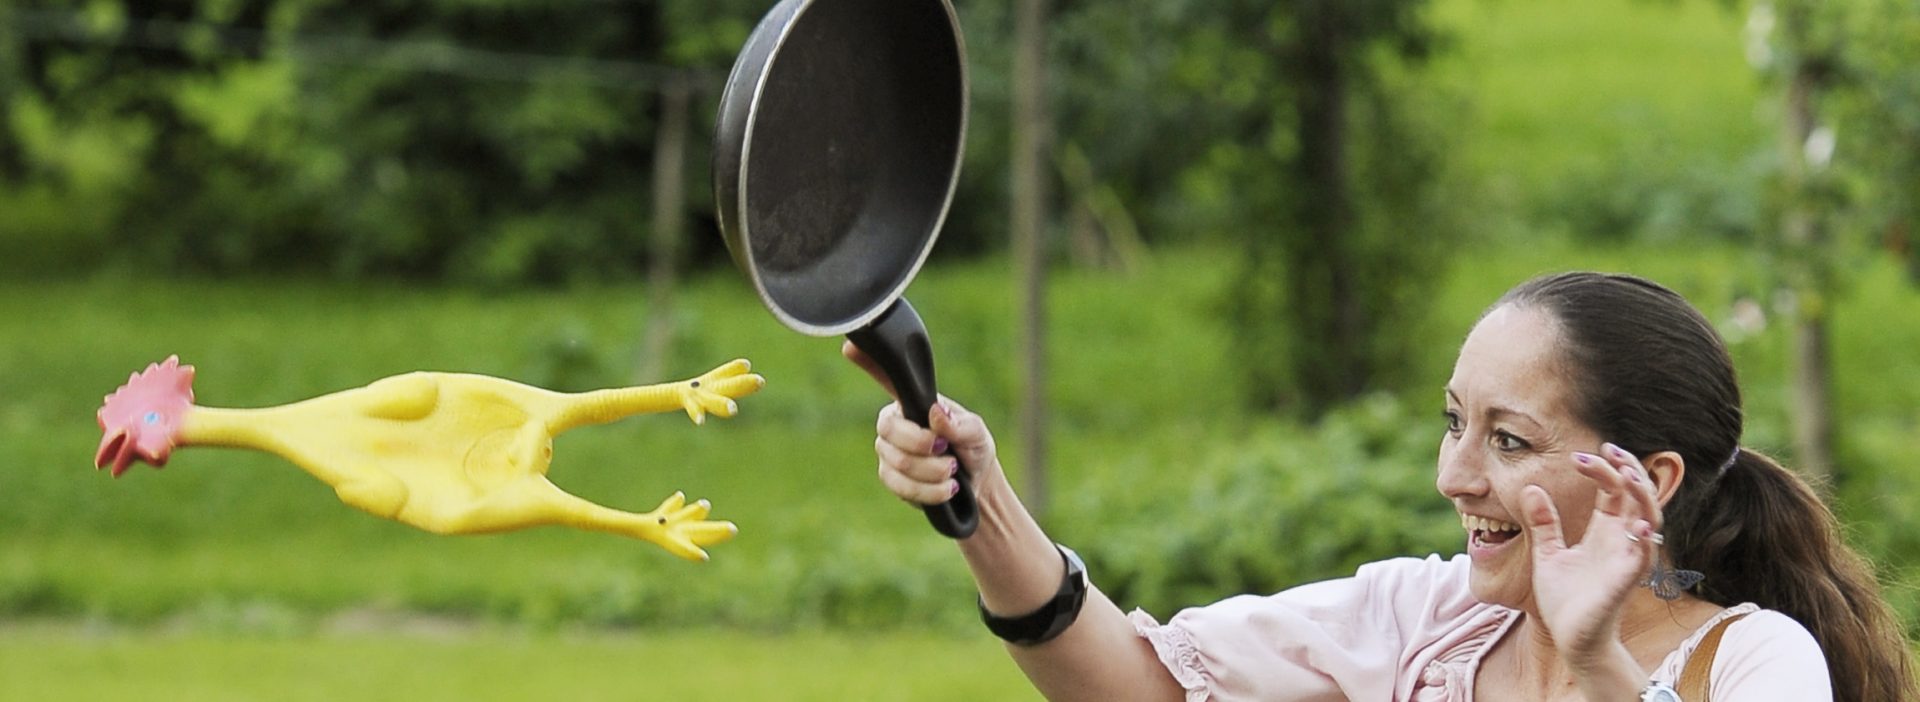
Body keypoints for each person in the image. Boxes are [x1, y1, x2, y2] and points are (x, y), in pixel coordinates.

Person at [848, 271, 1917, 702]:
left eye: (1509, 440)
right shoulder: (1427, 618)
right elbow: (1137, 686)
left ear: (1649, 478)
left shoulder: (1755, 661)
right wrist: (979, 500)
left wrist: (1594, 660)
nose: (1454, 475)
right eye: (1456, 422)